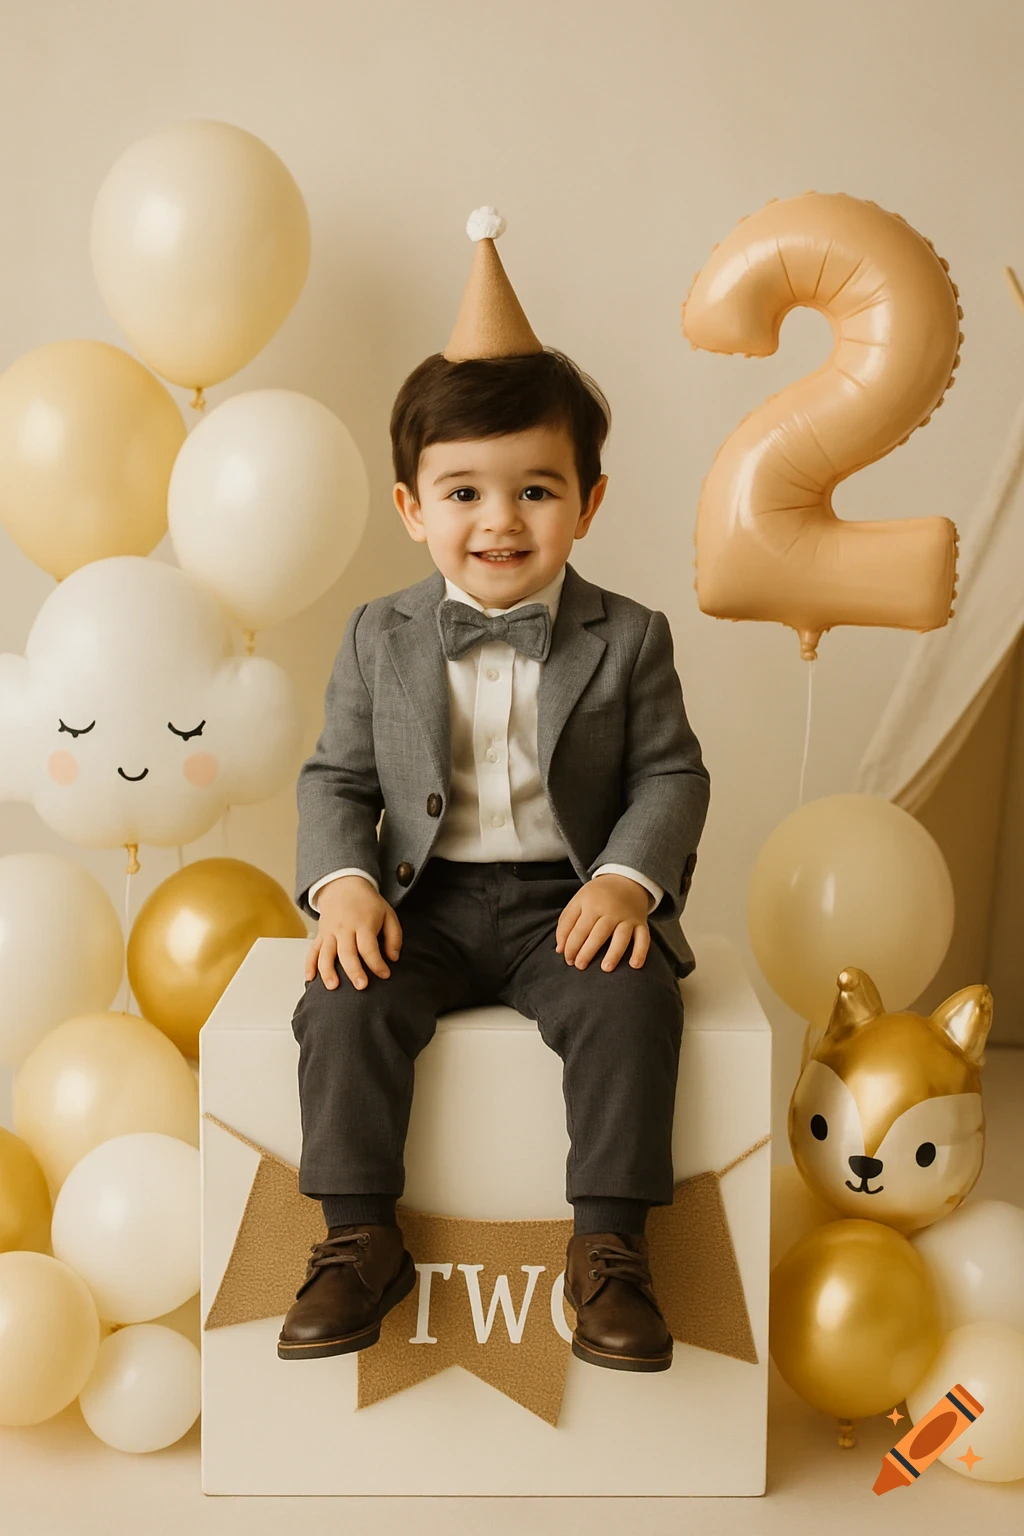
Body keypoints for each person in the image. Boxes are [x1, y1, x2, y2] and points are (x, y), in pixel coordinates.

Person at [278, 208, 710, 1373]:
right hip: (422, 902)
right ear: (413, 507)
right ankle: (357, 1233)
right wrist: (343, 888)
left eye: (534, 490)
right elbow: (337, 775)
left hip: (559, 904)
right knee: (342, 1004)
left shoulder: (628, 638)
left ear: (589, 502)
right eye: (463, 493)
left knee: (628, 1007)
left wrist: (626, 882)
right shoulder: (380, 634)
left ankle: (610, 1248)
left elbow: (670, 772)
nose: (499, 522)